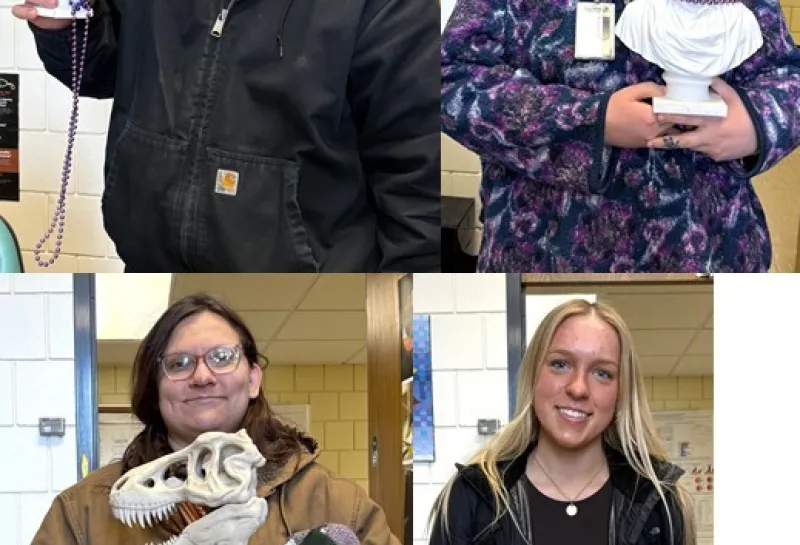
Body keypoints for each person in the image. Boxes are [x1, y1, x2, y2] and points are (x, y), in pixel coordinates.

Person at [13, 0, 440, 273]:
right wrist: (62, 29)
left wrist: (405, 295)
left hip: (305, 271)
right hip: (150, 261)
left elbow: (412, 166)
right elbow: (104, 69)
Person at [441, 0, 800, 273]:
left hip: (708, 246)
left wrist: (755, 124)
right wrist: (589, 120)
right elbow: (449, 79)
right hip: (544, 248)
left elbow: (787, 76)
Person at [31, 293, 400, 545]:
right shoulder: (79, 514)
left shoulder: (338, 502)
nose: (203, 376)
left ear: (253, 378)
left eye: (222, 357)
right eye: (179, 363)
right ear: (154, 388)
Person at [428, 299, 696, 545]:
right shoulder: (472, 498)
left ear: (621, 393)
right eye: (560, 364)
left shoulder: (662, 503)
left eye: (602, 373)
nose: (578, 388)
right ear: (534, 374)